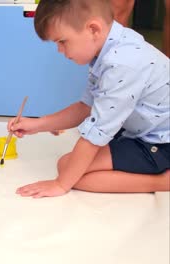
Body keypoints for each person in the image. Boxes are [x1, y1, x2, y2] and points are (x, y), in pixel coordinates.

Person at [9, 0, 170, 198]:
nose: (60, 51)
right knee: (72, 166)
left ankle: (163, 181)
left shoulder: (121, 63)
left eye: (62, 41)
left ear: (93, 29)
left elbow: (98, 132)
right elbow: (86, 107)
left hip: (162, 144)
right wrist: (38, 124)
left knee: (71, 171)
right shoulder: (111, 47)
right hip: (145, 131)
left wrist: (61, 185)